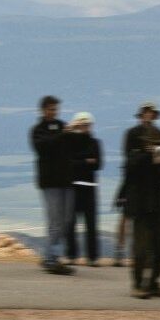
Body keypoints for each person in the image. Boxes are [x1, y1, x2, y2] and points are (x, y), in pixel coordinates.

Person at [123, 102, 160, 298]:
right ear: (141, 114)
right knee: (141, 247)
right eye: (147, 113)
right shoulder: (132, 135)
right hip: (139, 200)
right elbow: (130, 165)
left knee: (159, 247)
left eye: (152, 113)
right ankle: (137, 283)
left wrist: (158, 160)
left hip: (157, 201)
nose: (149, 116)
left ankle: (154, 282)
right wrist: (145, 154)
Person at [29, 95, 75, 275]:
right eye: (50, 109)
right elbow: (44, 148)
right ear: (42, 110)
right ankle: (52, 259)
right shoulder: (37, 130)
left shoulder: (63, 127)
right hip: (50, 182)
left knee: (66, 221)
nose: (53, 112)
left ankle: (51, 255)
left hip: (66, 180)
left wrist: (76, 134)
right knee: (55, 221)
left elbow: (73, 148)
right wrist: (63, 134)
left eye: (55, 109)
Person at [64, 112, 103, 266]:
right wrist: (87, 160)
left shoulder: (95, 142)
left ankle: (92, 257)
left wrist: (79, 161)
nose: (85, 127)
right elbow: (68, 163)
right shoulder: (70, 142)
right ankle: (72, 255)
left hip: (90, 187)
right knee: (71, 223)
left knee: (91, 224)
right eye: (82, 124)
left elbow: (98, 164)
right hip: (73, 186)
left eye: (87, 124)